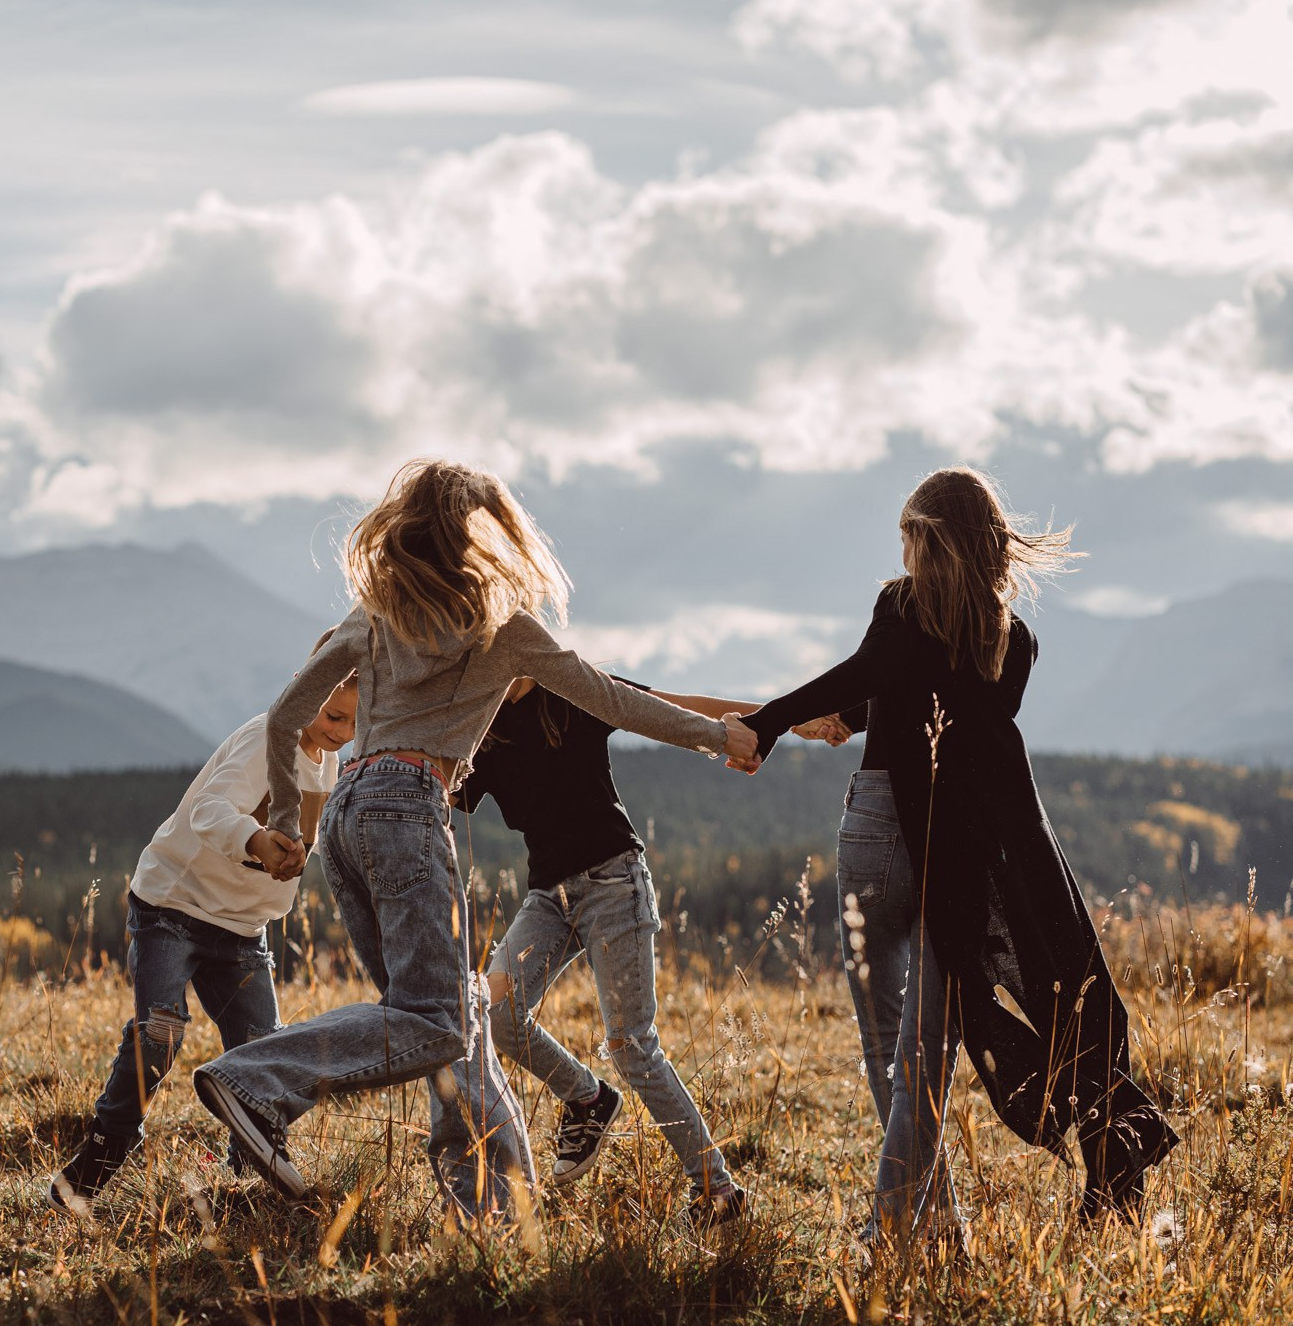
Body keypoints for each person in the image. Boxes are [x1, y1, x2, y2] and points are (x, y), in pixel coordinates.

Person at [191, 459, 759, 1220]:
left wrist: (291, 815)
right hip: (407, 808)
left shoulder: (374, 611)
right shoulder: (501, 629)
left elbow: (288, 713)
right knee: (435, 1020)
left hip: (350, 813)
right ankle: (257, 1080)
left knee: (446, 1017)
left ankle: (493, 1207)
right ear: (476, 531)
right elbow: (614, 699)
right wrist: (718, 736)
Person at [741, 466, 1178, 1246]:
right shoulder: (1014, 643)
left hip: (879, 832)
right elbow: (941, 706)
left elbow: (880, 676)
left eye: (910, 537)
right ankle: (918, 1223)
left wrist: (772, 721)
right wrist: (850, 712)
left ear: (929, 539)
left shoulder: (897, 607)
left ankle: (909, 1222)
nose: (904, 555)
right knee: (926, 1053)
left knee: (888, 1043)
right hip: (955, 857)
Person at [463, 678, 832, 1224]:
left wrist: (776, 720)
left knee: (631, 1045)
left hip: (614, 884)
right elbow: (434, 784)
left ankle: (719, 1193)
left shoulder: (573, 686)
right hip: (548, 898)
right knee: (494, 1014)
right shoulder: (479, 728)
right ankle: (588, 1099)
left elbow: (673, 708)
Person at [47, 675, 358, 1213]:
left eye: (354, 722)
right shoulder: (266, 740)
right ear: (304, 694)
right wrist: (258, 842)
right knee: (160, 1034)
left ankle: (249, 1169)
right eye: (334, 716)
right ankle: (99, 1159)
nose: (342, 732)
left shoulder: (326, 762)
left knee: (261, 1050)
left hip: (242, 928)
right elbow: (210, 810)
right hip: (176, 907)